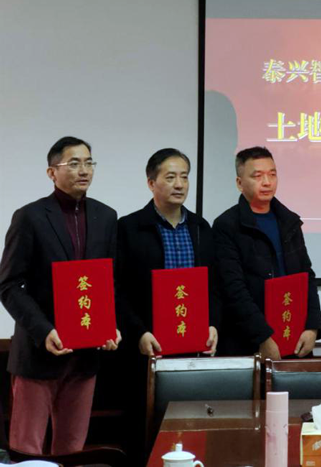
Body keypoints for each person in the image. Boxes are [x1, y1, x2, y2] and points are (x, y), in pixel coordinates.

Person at [0, 136, 121, 455]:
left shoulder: (106, 216)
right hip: (40, 352)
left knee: (72, 449)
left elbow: (108, 281)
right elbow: (9, 285)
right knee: (26, 448)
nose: (84, 170)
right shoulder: (30, 217)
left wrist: (110, 325)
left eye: (89, 163)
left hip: (86, 354)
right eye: (74, 163)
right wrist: (44, 330)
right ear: (52, 172)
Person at [115, 148, 219, 464]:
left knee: (194, 428)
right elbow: (118, 290)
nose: (180, 184)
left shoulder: (201, 228)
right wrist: (139, 332)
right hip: (147, 348)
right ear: (151, 183)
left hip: (193, 350)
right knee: (144, 432)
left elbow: (215, 286)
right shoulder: (129, 228)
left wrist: (213, 323)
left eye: (184, 176)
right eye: (170, 177)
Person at [213, 146, 321, 359]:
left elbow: (306, 276)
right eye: (258, 176)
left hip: (293, 335)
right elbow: (233, 288)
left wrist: (312, 327)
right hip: (248, 342)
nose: (267, 182)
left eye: (272, 174)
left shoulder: (289, 221)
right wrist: (263, 337)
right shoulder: (226, 226)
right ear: (239, 183)